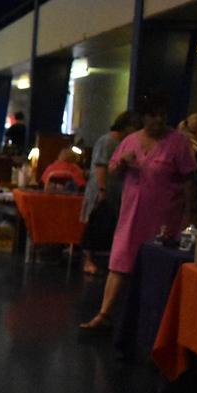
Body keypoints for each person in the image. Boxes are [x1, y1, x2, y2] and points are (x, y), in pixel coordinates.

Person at [81, 94, 196, 332]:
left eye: (163, 115)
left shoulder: (178, 142)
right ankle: (104, 314)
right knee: (119, 263)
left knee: (156, 269)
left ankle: (154, 325)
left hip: (164, 218)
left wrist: (189, 214)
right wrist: (122, 162)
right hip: (131, 214)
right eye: (154, 115)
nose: (159, 120)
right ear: (143, 117)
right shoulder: (130, 141)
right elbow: (113, 170)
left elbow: (188, 180)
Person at [79, 111, 141, 275]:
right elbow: (100, 166)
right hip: (102, 189)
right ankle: (88, 260)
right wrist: (102, 189)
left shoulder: (124, 143)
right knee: (95, 224)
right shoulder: (108, 141)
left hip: (114, 191)